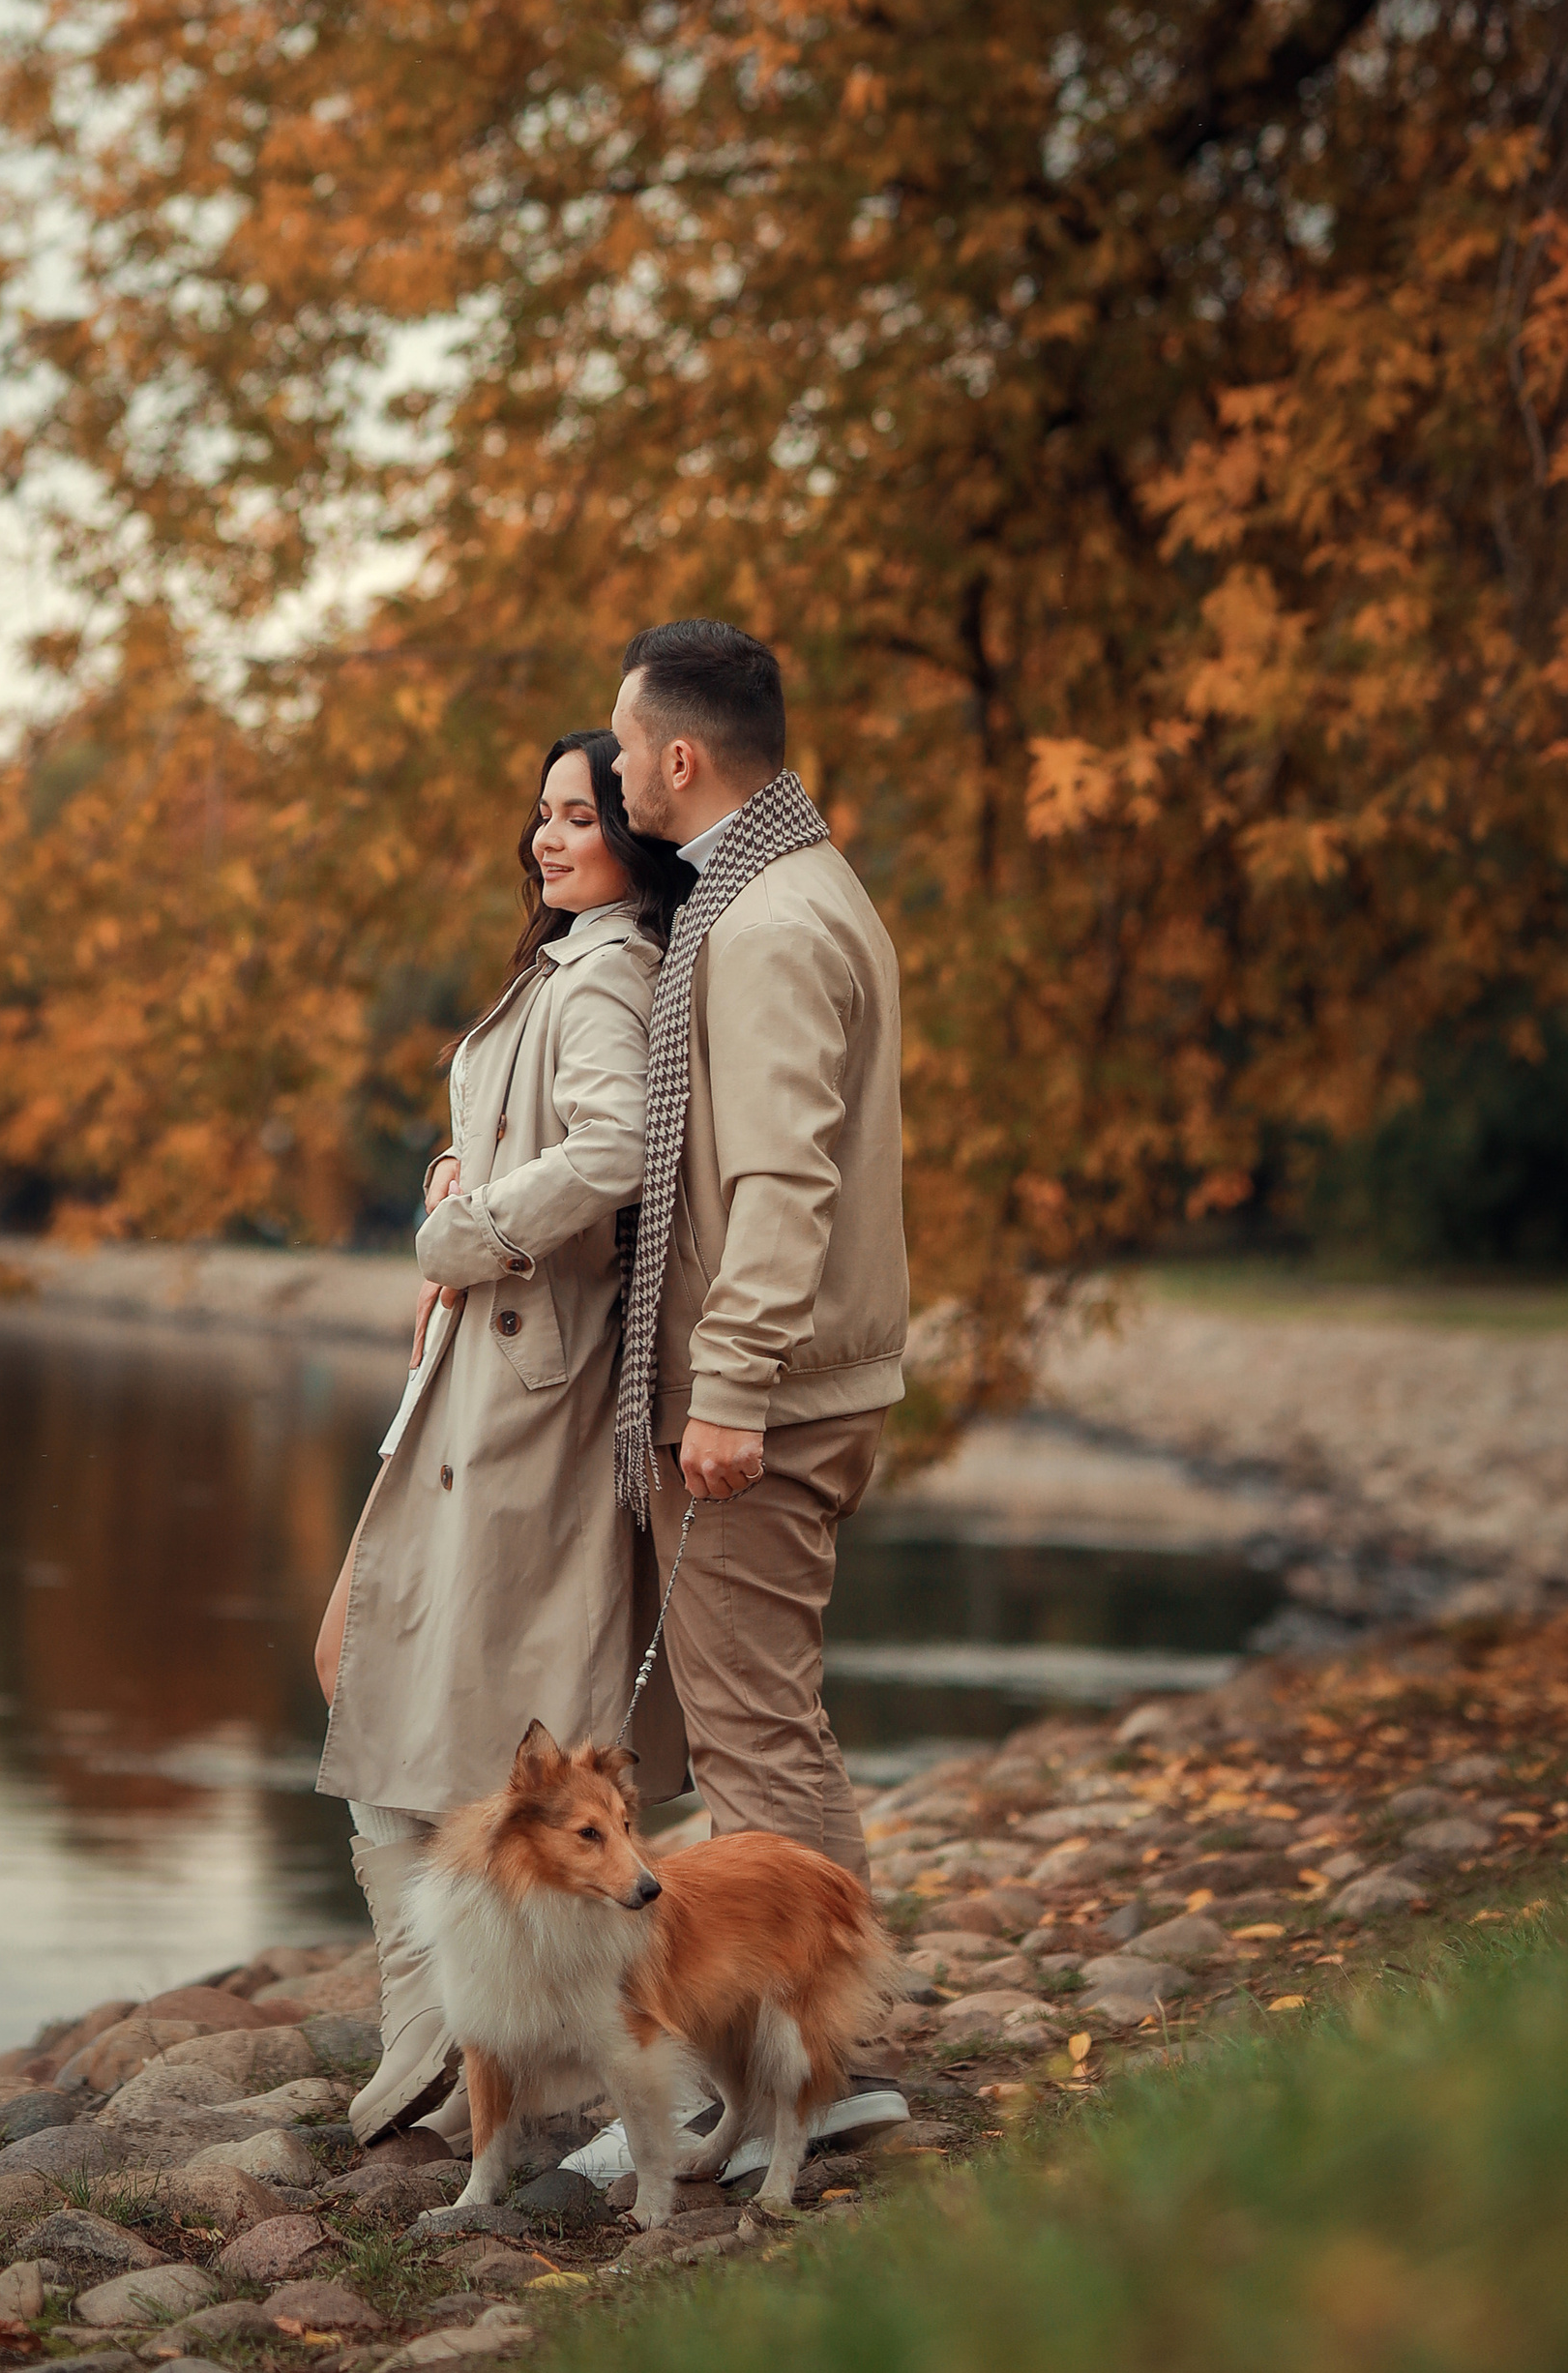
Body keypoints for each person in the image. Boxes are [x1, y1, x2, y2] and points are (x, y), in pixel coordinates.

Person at [312, 729, 691, 2145]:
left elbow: (611, 1156)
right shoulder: (568, 959)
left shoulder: (608, 969)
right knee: (372, 1661)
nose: (550, 837)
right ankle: (434, 2008)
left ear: (631, 836)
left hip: (527, 1377)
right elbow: (546, 1137)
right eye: (540, 812)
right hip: (486, 1367)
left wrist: (462, 1227)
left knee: (416, 1678)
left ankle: (447, 2019)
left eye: (581, 815)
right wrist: (461, 1171)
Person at [604, 614, 911, 2155]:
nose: (606, 768)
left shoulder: (777, 919)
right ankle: (798, 2071)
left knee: (757, 1734)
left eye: (620, 739)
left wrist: (724, 1386)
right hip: (785, 1382)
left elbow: (783, 1180)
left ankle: (824, 2074)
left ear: (678, 753)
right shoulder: (772, 887)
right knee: (751, 1723)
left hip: (770, 1399)